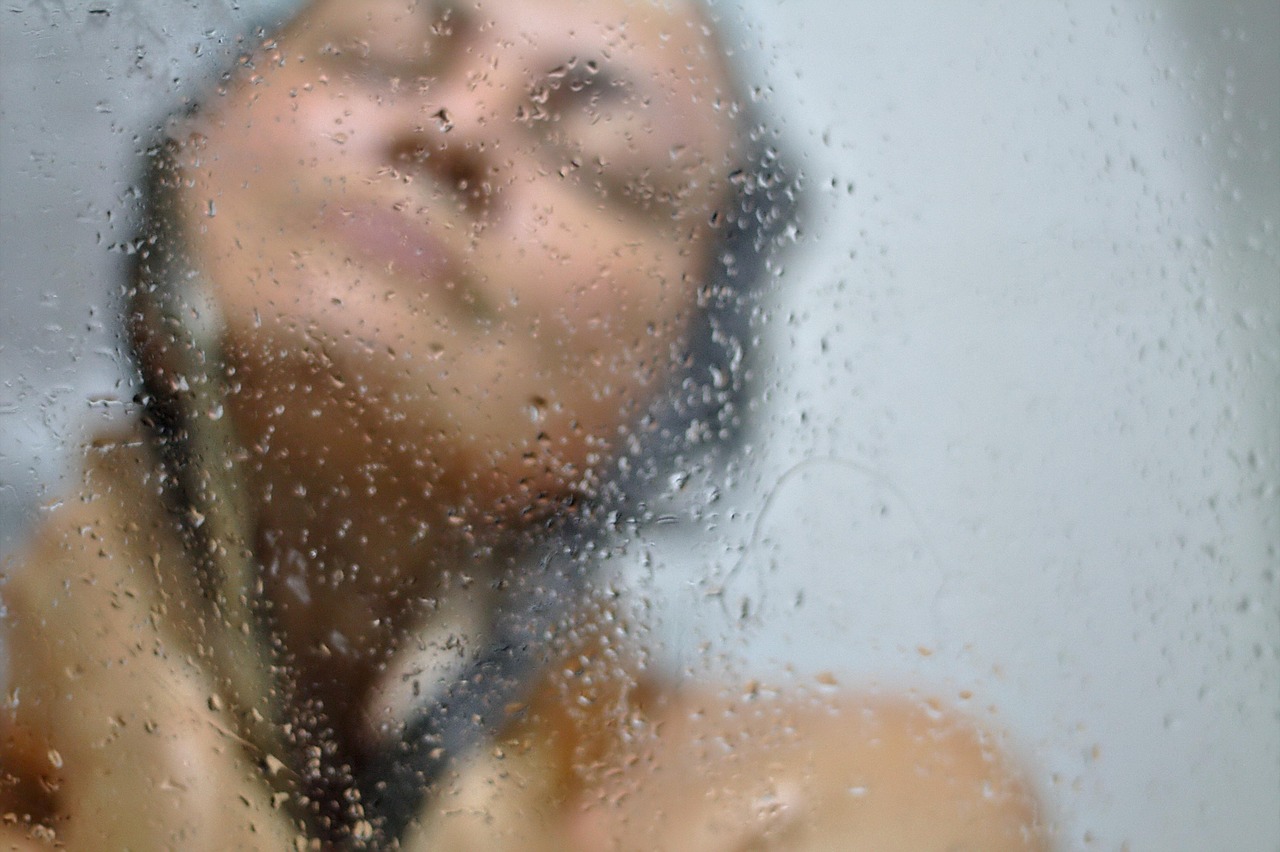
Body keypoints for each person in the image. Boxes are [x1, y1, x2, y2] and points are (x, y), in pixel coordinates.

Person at [0, 0, 1046, 848]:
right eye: (380, 54)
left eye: (600, 159)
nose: (452, 131)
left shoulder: (839, 799)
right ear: (185, 154)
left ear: (675, 381)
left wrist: (153, 743)